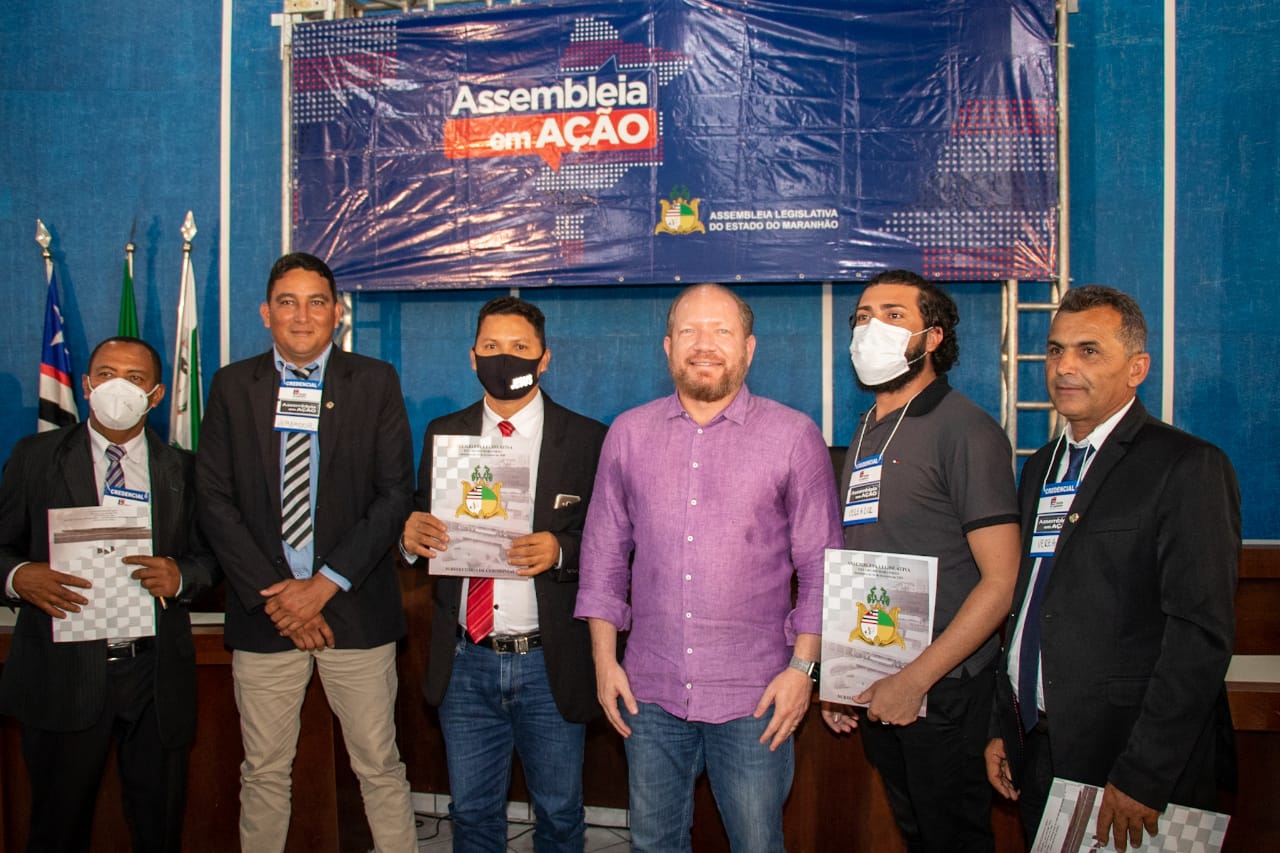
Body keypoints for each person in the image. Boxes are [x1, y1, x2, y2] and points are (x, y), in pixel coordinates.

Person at [575, 283, 842, 853]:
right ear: (668, 347)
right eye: (690, 331)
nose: (705, 344)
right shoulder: (627, 434)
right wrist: (604, 661)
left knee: (756, 843)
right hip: (647, 692)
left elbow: (822, 566)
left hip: (758, 696)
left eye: (721, 331)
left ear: (748, 348)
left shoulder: (794, 436)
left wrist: (804, 672)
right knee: (653, 842)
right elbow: (601, 554)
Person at [985, 285, 1239, 851]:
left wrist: (1144, 775)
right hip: (1038, 749)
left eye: (1088, 351)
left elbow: (1199, 637)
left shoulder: (1186, 467)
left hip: (1128, 763)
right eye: (1054, 350)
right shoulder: (1040, 468)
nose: (1064, 367)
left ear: (1137, 368)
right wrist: (1006, 725)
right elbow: (1030, 605)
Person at [196, 252, 417, 852]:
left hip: (353, 610)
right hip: (266, 614)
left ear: (337, 313)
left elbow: (395, 493)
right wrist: (282, 598)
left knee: (379, 768)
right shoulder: (231, 386)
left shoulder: (375, 381)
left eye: (316, 302)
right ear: (266, 313)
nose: (302, 316)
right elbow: (213, 499)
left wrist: (322, 586)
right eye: (287, 302)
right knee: (263, 772)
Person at [819, 270, 1021, 853]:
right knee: (914, 832)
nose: (869, 328)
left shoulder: (966, 429)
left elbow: (1001, 581)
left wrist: (916, 679)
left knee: (953, 838)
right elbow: (864, 560)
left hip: (943, 688)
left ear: (931, 338)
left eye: (892, 314)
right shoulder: (865, 430)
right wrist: (845, 677)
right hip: (879, 680)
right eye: (861, 316)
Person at [401, 295, 606, 852]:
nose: (504, 357)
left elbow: (618, 545)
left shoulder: (588, 438)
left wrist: (562, 551)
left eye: (519, 348)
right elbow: (421, 519)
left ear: (545, 359)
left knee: (561, 815)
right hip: (465, 659)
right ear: (472, 357)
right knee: (471, 816)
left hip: (548, 661)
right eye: (492, 347)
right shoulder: (444, 433)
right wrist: (410, 537)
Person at [0, 336, 219, 852]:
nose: (117, 386)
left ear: (158, 394)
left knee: (158, 827)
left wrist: (182, 577)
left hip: (153, 676)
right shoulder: (36, 457)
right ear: (86, 385)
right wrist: (19, 576)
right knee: (56, 827)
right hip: (63, 673)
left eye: (135, 378)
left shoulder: (184, 470)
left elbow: (211, 559)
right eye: (105, 374)